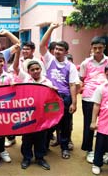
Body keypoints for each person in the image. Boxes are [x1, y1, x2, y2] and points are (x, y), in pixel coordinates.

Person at [40, 22, 79, 159]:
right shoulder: (49, 60)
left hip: (64, 98)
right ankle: (43, 147)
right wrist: (50, 28)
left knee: (65, 125)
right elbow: (42, 45)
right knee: (49, 123)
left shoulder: (70, 66)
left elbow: (73, 85)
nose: (57, 51)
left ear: (66, 52)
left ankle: (64, 148)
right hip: (51, 97)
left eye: (60, 50)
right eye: (56, 49)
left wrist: (74, 103)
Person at [13, 48, 51, 170]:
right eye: (32, 69)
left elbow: (51, 100)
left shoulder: (47, 82)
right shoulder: (25, 79)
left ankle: (40, 158)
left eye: (37, 69)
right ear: (28, 71)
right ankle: (27, 158)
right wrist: (17, 52)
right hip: (27, 115)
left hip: (41, 116)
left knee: (41, 137)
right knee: (27, 138)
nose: (35, 71)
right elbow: (16, 68)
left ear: (40, 69)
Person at [79, 36, 108, 163]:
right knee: (90, 124)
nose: (97, 50)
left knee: (105, 126)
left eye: (100, 48)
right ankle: (89, 149)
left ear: (104, 47)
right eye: (95, 48)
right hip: (89, 96)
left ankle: (105, 151)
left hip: (106, 95)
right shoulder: (86, 63)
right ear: (92, 48)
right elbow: (82, 78)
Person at [90, 65, 108, 175]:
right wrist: (93, 121)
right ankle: (97, 163)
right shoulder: (101, 88)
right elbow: (96, 105)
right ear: (105, 73)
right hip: (104, 123)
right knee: (100, 144)